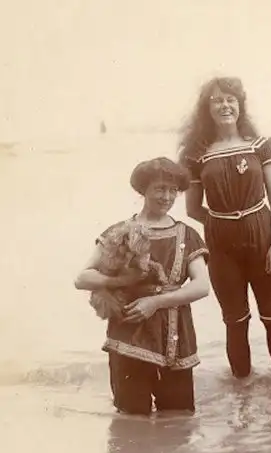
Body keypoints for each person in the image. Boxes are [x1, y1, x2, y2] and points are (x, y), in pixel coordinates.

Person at [74, 157, 210, 415]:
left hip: (176, 337)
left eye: (173, 190)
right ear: (143, 189)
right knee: (131, 418)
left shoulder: (187, 234)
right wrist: (121, 282)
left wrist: (155, 302)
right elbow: (82, 278)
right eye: (160, 189)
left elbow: (202, 286)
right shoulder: (120, 232)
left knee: (178, 419)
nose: (167, 197)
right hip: (129, 338)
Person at [181, 77, 271, 379]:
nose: (224, 105)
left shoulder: (261, 146)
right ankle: (242, 395)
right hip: (222, 247)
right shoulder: (196, 155)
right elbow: (192, 208)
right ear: (207, 108)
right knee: (235, 321)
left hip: (263, 239)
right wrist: (223, 225)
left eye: (230, 99)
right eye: (217, 100)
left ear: (241, 105)